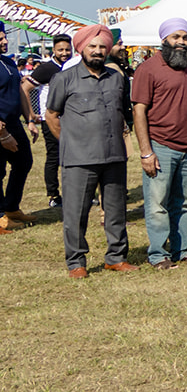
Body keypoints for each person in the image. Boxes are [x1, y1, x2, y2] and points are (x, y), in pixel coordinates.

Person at [44, 25, 134, 277]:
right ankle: (76, 262)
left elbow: (123, 112)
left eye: (102, 46)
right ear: (81, 48)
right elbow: (51, 115)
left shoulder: (116, 77)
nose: (97, 51)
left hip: (114, 155)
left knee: (116, 210)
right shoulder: (64, 78)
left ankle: (116, 257)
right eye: (92, 46)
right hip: (79, 158)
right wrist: (69, 142)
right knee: (76, 213)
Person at [131, 17, 187, 269]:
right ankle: (157, 254)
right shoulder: (148, 69)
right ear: (164, 40)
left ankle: (181, 250)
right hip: (160, 146)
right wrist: (146, 152)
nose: (182, 42)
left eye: (186, 38)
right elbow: (139, 111)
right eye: (176, 37)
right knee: (157, 204)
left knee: (182, 203)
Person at [17, 33, 72, 211]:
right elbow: (25, 88)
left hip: (73, 119)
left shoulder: (74, 66)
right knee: (54, 157)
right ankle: (53, 195)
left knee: (75, 156)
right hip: (51, 120)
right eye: (60, 50)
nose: (64, 53)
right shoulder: (47, 69)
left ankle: (77, 192)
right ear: (53, 50)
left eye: (67, 49)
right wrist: (31, 115)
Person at [0, 22, 35, 231]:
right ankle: (0, 216)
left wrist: (29, 119)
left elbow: (20, 91)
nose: (5, 41)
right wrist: (2, 132)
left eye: (4, 37)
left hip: (14, 123)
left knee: (24, 162)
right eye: (1, 38)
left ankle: (11, 207)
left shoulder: (8, 62)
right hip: (0, 125)